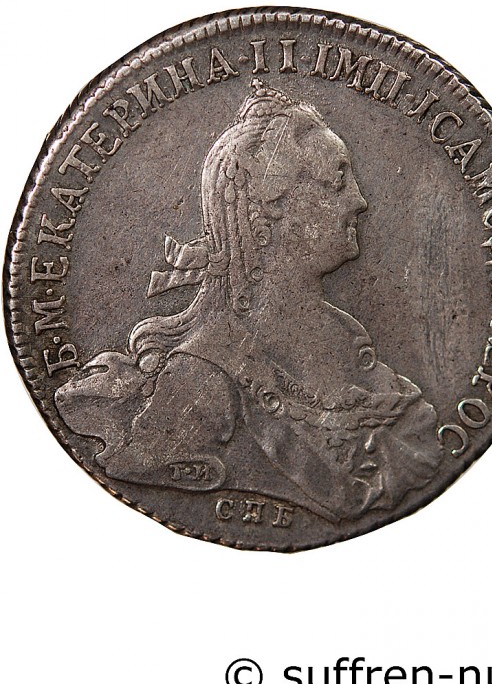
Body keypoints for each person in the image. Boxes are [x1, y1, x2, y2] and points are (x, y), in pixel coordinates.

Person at [56, 82, 442, 522]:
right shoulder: (204, 375)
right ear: (274, 206)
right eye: (337, 180)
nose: (359, 201)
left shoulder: (347, 339)